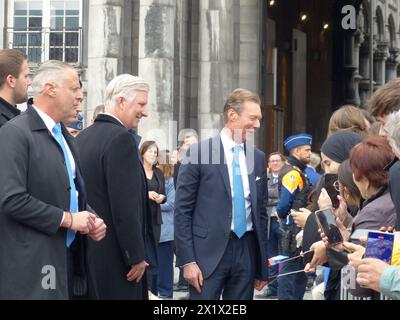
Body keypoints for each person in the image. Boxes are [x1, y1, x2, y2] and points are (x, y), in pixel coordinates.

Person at [0, 60, 106, 299]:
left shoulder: (65, 136)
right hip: (35, 269)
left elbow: (68, 191)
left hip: (71, 262)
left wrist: (90, 217)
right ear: (50, 89)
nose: (81, 97)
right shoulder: (14, 133)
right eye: (74, 88)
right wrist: (69, 219)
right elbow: (11, 200)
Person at [175, 88, 269, 300]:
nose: (258, 125)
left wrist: (262, 265)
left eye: (259, 119)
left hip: (246, 250)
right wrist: (187, 261)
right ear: (232, 115)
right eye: (253, 118)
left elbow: (260, 212)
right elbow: (182, 212)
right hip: (206, 255)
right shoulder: (198, 153)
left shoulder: (258, 157)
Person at [76, 74, 152, 299]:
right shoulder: (121, 139)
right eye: (141, 104)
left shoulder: (82, 137)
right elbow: (125, 208)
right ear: (121, 101)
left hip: (91, 257)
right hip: (119, 263)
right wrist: (136, 256)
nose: (145, 112)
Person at [276, 133, 313, 300]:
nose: (309, 153)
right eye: (307, 150)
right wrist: (282, 217)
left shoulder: (298, 171)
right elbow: (284, 203)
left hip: (298, 226)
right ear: (296, 151)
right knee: (290, 268)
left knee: (299, 267)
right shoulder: (293, 173)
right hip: (293, 227)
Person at [140, 140, 166, 297]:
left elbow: (165, 195)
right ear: (142, 152)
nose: (153, 154)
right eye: (150, 151)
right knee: (145, 255)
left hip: (155, 219)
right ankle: (147, 291)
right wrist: (146, 195)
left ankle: (152, 291)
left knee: (154, 255)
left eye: (155, 152)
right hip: (141, 217)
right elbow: (131, 193)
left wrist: (161, 197)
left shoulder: (159, 173)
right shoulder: (137, 170)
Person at [256, 152, 284, 299]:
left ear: (282, 162)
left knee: (285, 253)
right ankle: (272, 287)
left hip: (282, 221)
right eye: (272, 161)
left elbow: (283, 196)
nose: (274, 163)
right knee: (271, 254)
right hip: (268, 221)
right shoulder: (264, 178)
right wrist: (276, 198)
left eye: (277, 160)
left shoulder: (287, 176)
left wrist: (272, 198)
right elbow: (262, 195)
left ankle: (283, 286)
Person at [156, 151, 176, 299]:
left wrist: (153, 204)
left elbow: (171, 204)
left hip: (166, 230)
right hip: (157, 229)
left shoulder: (170, 181)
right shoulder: (156, 179)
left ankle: (166, 294)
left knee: (165, 265)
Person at [0, 49, 30, 127]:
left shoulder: (9, 116)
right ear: (11, 81)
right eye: (25, 76)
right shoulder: (5, 125)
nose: (29, 82)